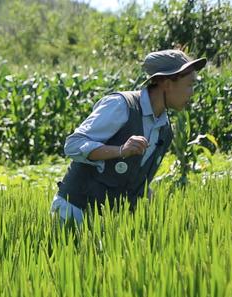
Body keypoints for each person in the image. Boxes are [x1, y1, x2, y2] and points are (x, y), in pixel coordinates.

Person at [51, 49, 207, 225]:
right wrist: (120, 150)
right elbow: (73, 145)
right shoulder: (121, 105)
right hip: (74, 210)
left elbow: (137, 179)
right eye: (189, 85)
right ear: (167, 82)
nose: (192, 92)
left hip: (107, 222)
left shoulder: (165, 130)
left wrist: (167, 216)